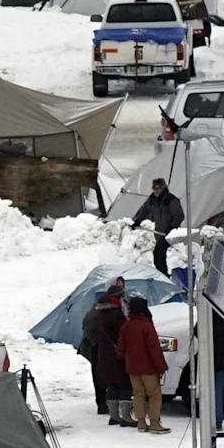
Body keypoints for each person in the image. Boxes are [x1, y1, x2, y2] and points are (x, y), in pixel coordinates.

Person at [81, 277, 134, 425]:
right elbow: (91, 328)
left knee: (112, 382)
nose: (122, 289)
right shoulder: (112, 311)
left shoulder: (107, 307)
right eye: (118, 286)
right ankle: (121, 415)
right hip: (111, 351)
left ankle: (113, 414)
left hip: (106, 350)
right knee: (121, 382)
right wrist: (97, 343)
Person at [117, 296, 170, 434]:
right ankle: (154, 423)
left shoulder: (126, 325)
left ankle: (141, 422)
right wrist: (161, 367)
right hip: (148, 368)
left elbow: (121, 348)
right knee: (154, 394)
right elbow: (154, 349)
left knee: (138, 394)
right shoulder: (146, 325)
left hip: (132, 368)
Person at [133, 178, 183, 276]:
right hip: (160, 232)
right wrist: (137, 221)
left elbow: (179, 215)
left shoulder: (171, 200)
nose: (156, 191)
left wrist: (172, 227)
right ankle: (163, 275)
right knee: (158, 256)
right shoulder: (152, 200)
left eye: (158, 189)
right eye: (154, 189)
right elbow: (144, 211)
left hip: (171, 232)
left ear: (163, 188)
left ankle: (164, 275)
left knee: (158, 253)